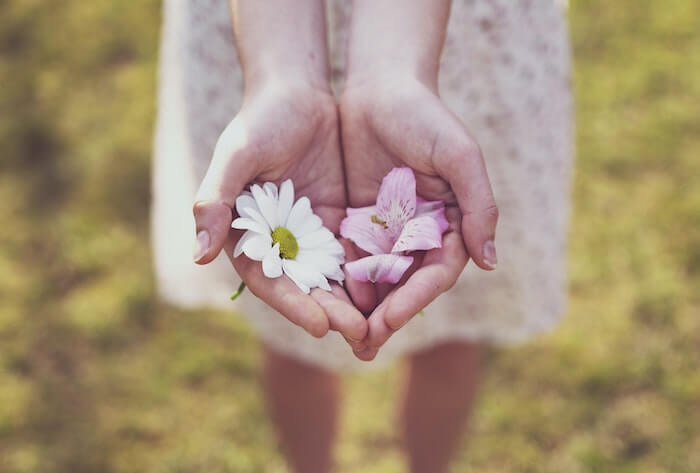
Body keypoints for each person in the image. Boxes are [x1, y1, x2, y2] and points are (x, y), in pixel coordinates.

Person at [151, 1, 574, 472]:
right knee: (292, 332)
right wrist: (281, 78)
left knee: (454, 322)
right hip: (262, 22)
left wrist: (394, 77)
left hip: (460, 37)